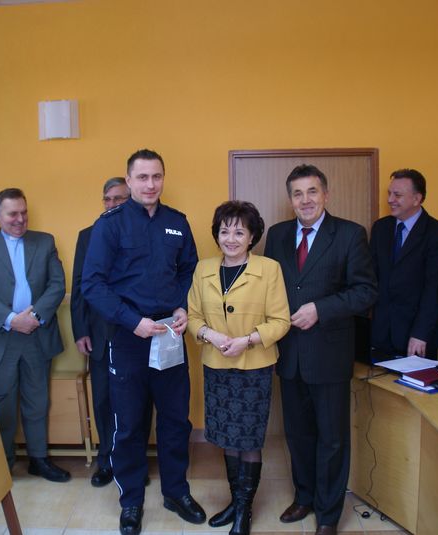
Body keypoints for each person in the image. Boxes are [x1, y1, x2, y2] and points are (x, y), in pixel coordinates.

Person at [82, 149, 205, 535]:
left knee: (175, 420)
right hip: (129, 337)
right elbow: (92, 284)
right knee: (130, 425)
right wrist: (131, 320)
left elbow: (189, 270)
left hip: (169, 335)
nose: (150, 184)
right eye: (143, 177)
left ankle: (176, 492)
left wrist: (183, 305)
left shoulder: (177, 223)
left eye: (157, 176)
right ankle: (131, 501)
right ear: (129, 180)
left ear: (163, 178)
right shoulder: (110, 225)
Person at [264, 164, 377, 535]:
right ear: (290, 199)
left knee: (332, 439)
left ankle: (328, 514)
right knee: (298, 435)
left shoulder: (349, 234)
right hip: (289, 354)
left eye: (312, 191)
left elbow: (365, 292)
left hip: (329, 354)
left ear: (326, 194)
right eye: (297, 194)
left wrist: (321, 309)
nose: (305, 200)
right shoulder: (278, 235)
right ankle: (305, 497)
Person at [187, 200, 290, 535]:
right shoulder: (203, 269)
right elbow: (192, 317)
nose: (230, 239)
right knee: (226, 436)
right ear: (216, 235)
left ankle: (244, 510)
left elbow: (281, 321)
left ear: (252, 237)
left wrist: (247, 340)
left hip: (254, 366)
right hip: (216, 365)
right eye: (224, 231)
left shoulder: (269, 269)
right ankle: (235, 502)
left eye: (239, 232)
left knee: (248, 438)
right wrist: (211, 335)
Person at [0, 188, 70, 481]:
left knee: (38, 401)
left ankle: (39, 459)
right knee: (2, 404)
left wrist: (34, 317)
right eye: (13, 214)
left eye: (24, 213)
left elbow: (57, 285)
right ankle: (4, 463)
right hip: (0, 337)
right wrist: (12, 320)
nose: (20, 219)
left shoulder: (45, 241)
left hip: (37, 333)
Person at [71, 176, 154, 488]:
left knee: (139, 400)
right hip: (100, 332)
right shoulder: (88, 235)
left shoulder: (146, 230)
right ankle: (106, 460)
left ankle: (136, 462)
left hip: (137, 331)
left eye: (119, 198)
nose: (112, 204)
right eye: (108, 199)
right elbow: (80, 286)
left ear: (131, 199)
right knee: (104, 399)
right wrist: (81, 329)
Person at [369, 169, 438, 359]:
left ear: (417, 199)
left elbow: (434, 289)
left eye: (397, 195)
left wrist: (421, 333)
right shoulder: (381, 228)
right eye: (389, 193)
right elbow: (372, 276)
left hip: (417, 337)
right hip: (381, 334)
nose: (390, 199)